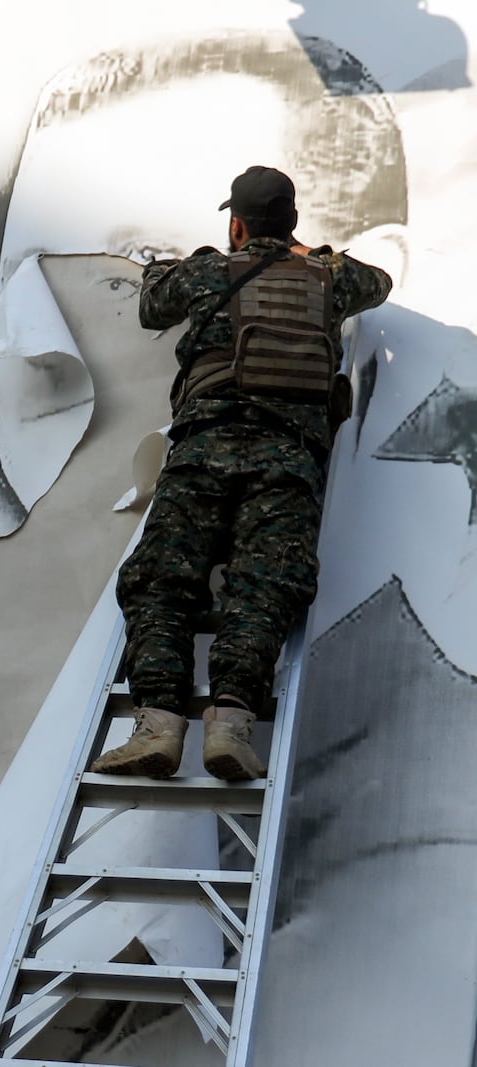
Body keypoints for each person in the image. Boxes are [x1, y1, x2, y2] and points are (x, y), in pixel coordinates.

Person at [93, 165, 393, 781]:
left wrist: (172, 266)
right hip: (288, 460)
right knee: (264, 588)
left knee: (161, 582)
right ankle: (230, 724)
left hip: (203, 450)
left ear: (235, 223)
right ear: (293, 223)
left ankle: (157, 723)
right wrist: (313, 254)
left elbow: (153, 306)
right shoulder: (329, 278)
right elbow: (379, 282)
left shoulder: (208, 272)